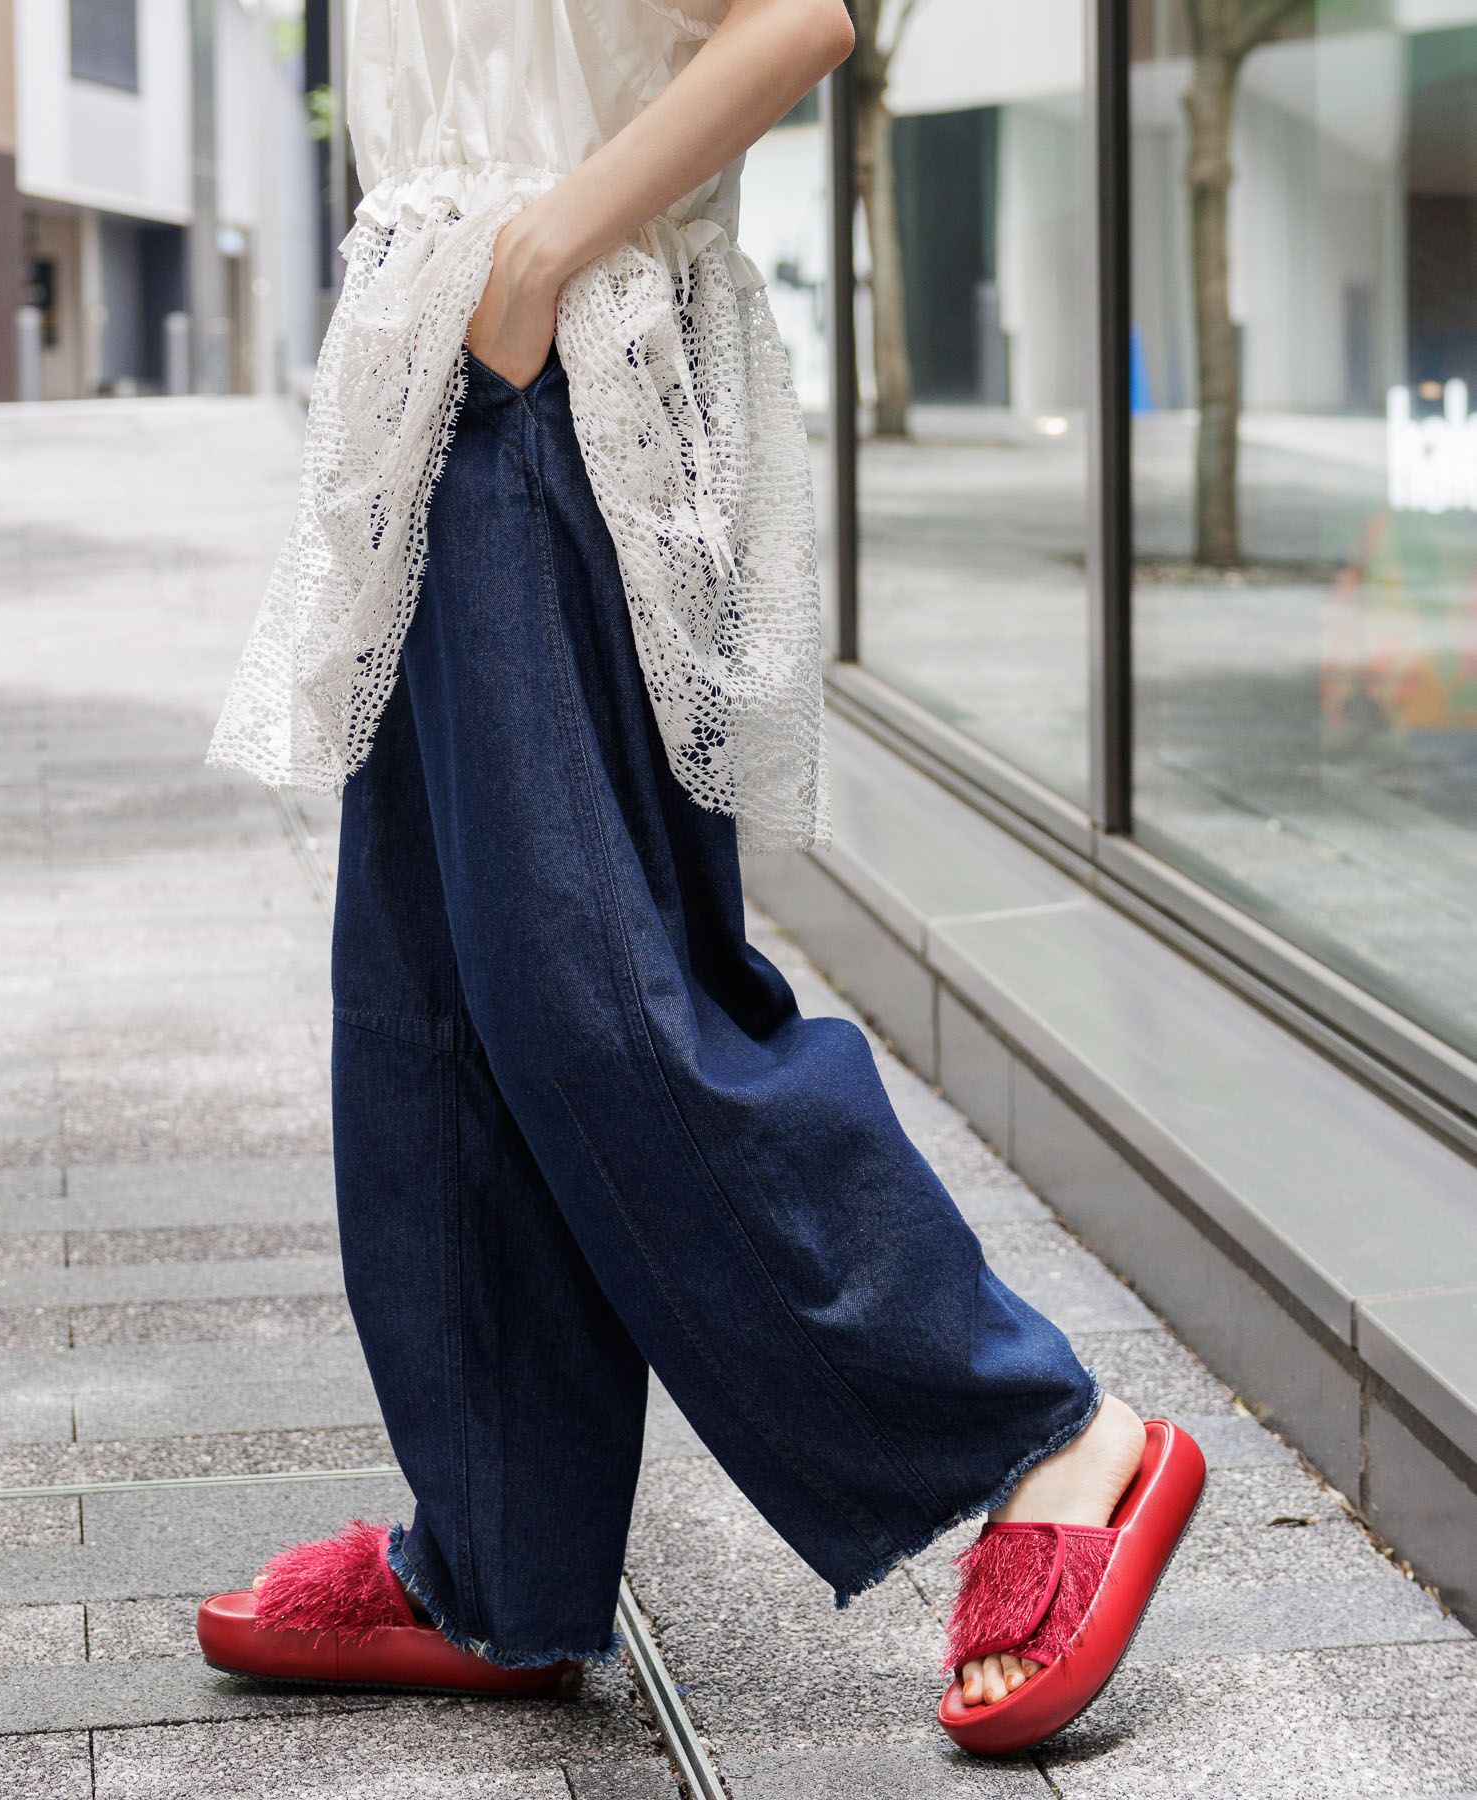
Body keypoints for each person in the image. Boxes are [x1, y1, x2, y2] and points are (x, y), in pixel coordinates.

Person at [195, 0, 1204, 1756]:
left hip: (560, 364)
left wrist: (535, 259)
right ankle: (496, 1565)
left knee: (593, 1004)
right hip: (439, 361)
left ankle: (1044, 1437)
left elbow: (798, 16)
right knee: (429, 1008)